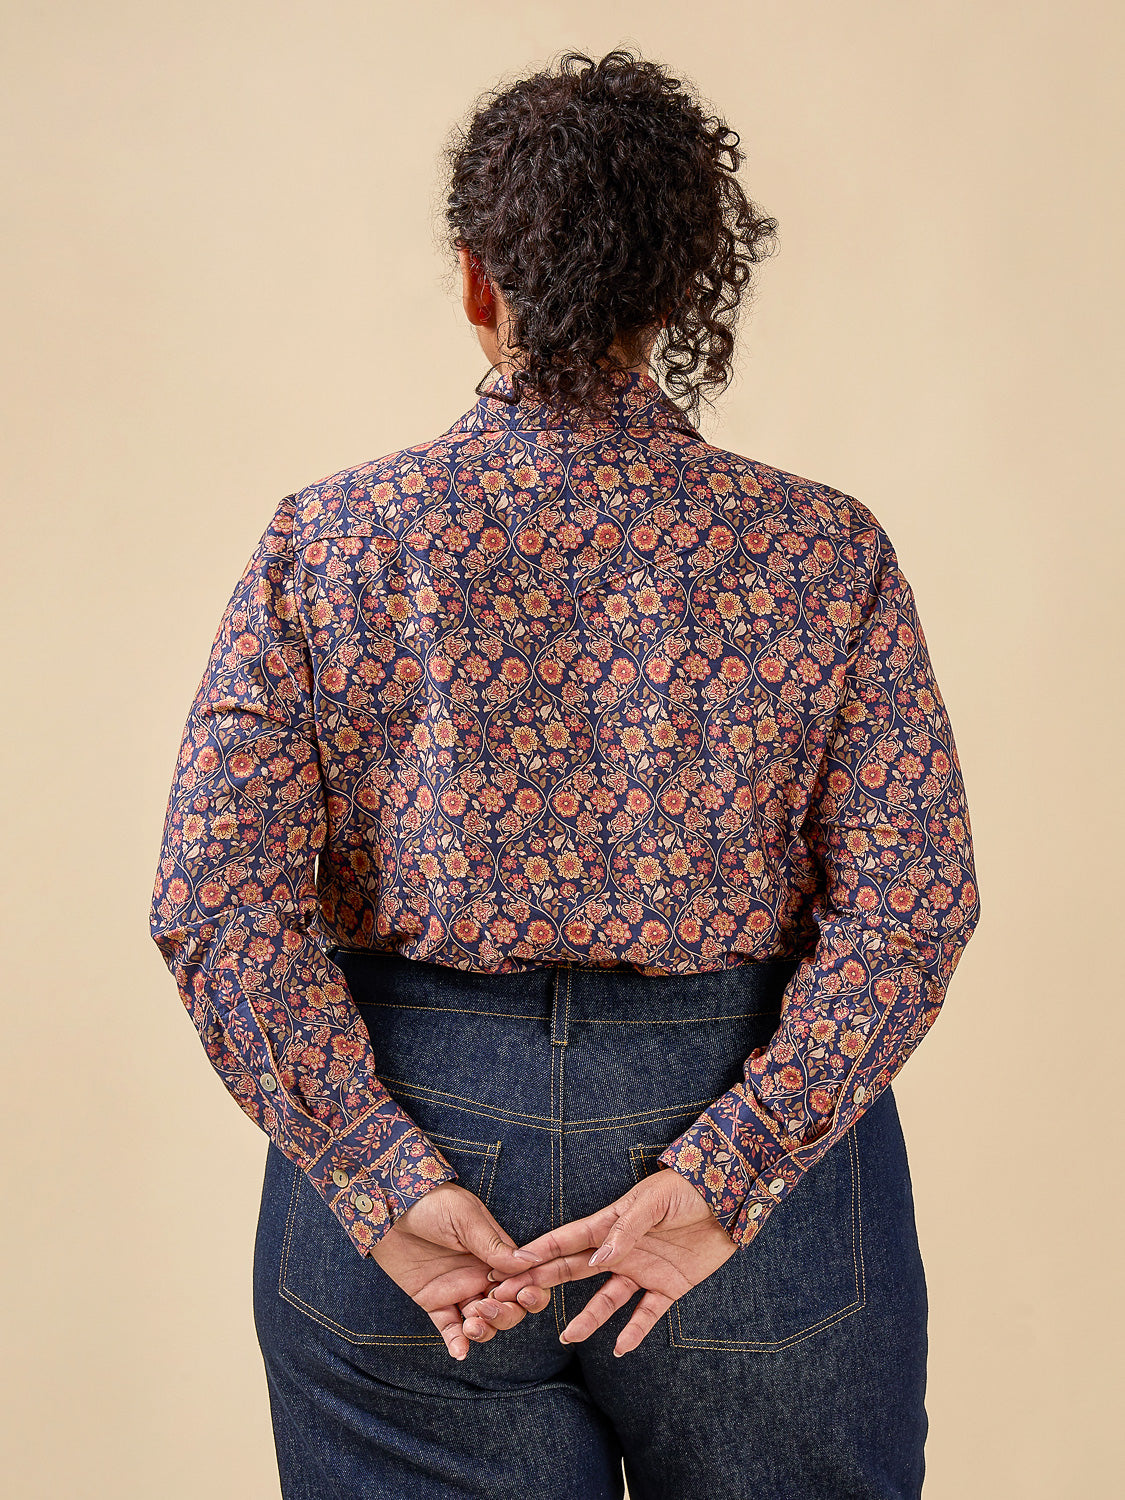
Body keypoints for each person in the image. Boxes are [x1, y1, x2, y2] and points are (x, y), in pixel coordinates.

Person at [149, 46, 980, 1500]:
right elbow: (911, 905)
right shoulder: (823, 551)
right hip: (741, 1135)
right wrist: (730, 1169)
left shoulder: (328, 544)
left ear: (479, 282)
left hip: (413, 1123)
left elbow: (218, 903)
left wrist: (378, 1176)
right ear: (681, 289)